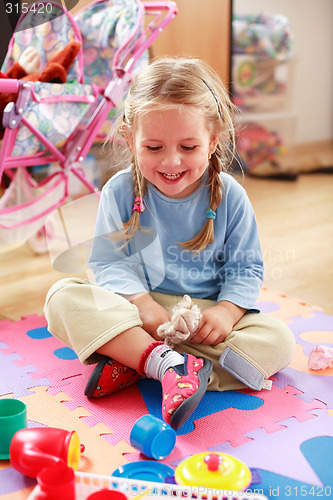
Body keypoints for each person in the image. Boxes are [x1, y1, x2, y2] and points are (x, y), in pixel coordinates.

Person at [44, 56, 295, 430]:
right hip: (139, 311)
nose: (172, 161)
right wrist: (143, 305)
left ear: (213, 141)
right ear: (131, 139)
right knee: (62, 297)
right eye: (155, 147)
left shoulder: (230, 196)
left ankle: (143, 363)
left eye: (189, 147)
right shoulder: (119, 191)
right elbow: (109, 265)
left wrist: (226, 312)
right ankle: (162, 362)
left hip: (204, 318)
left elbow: (246, 268)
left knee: (279, 341)